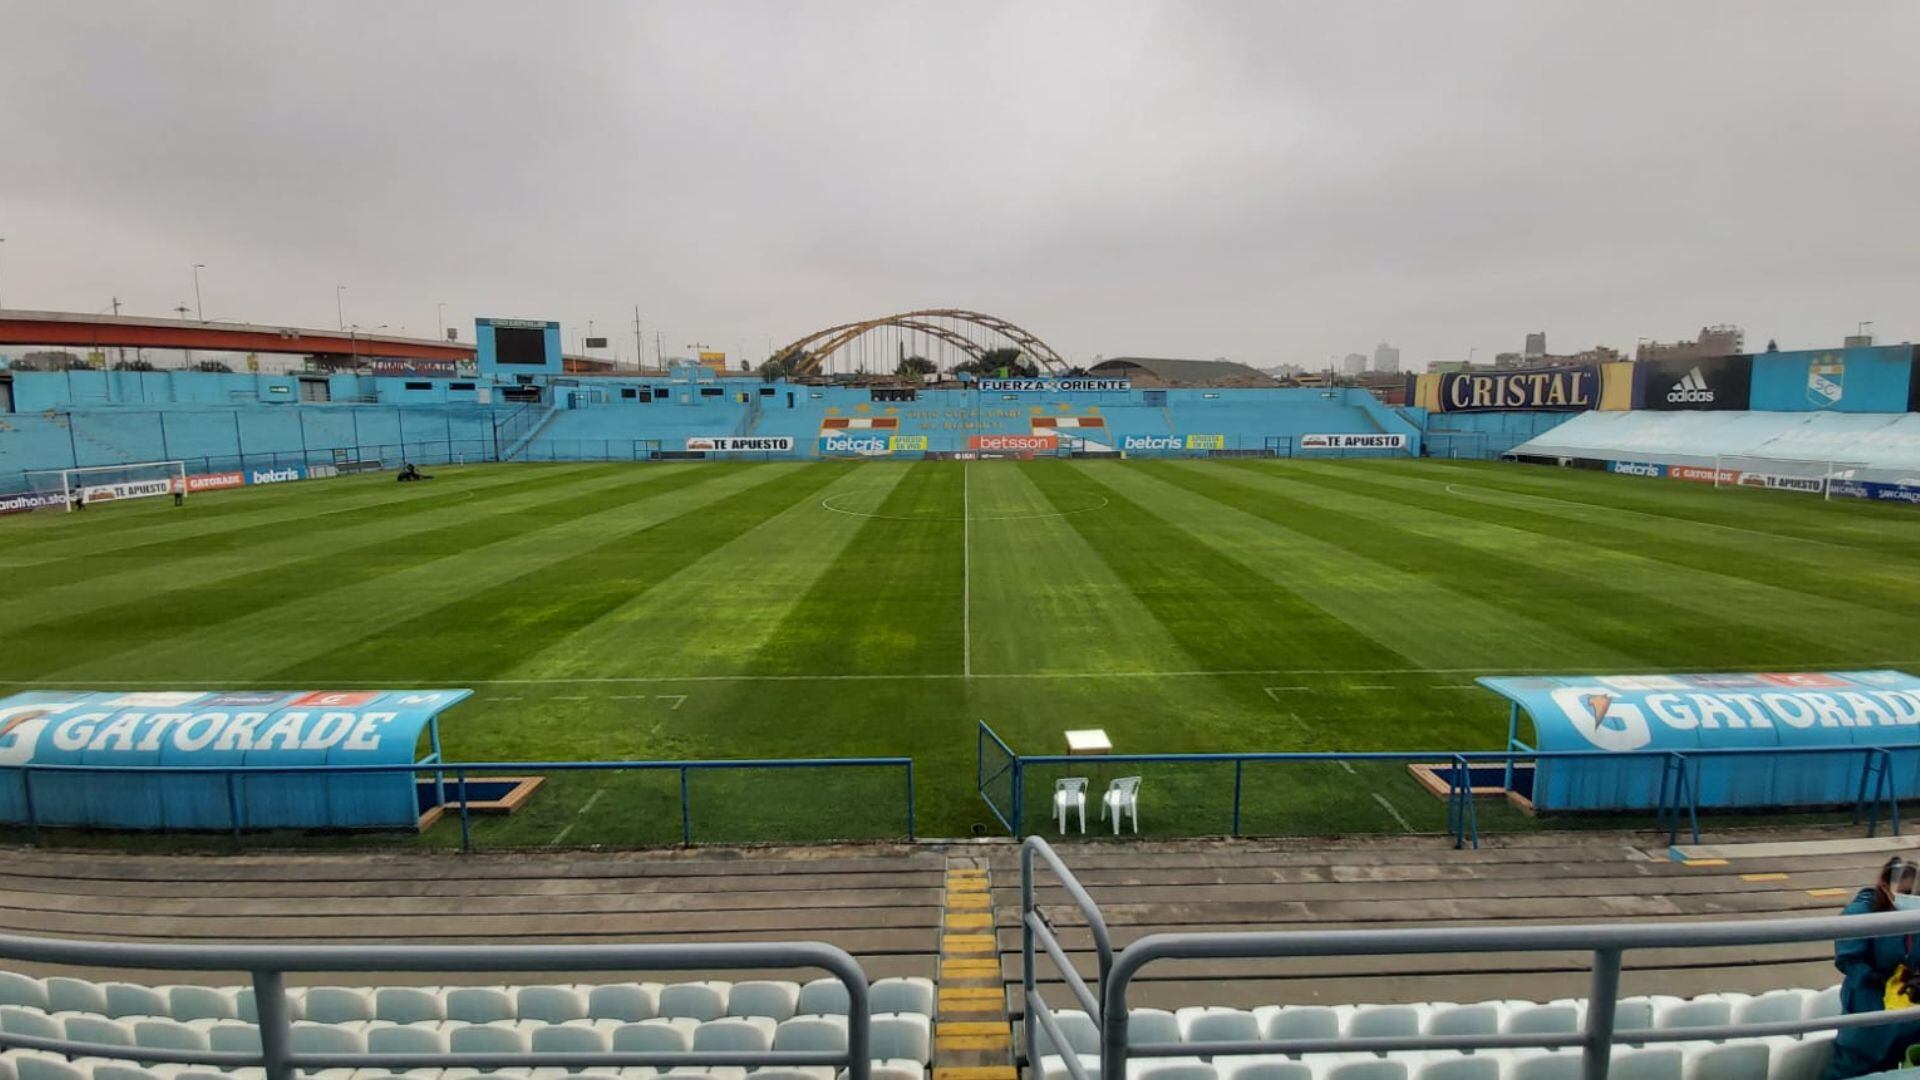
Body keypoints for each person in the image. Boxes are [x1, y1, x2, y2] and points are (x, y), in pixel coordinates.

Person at [1825, 857, 1920, 1078]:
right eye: (1906, 892)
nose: (1913, 898)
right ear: (1885, 887)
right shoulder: (1860, 914)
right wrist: (1876, 978)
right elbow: (1848, 959)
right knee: (1853, 1067)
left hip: (1908, 1010)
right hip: (1868, 1009)